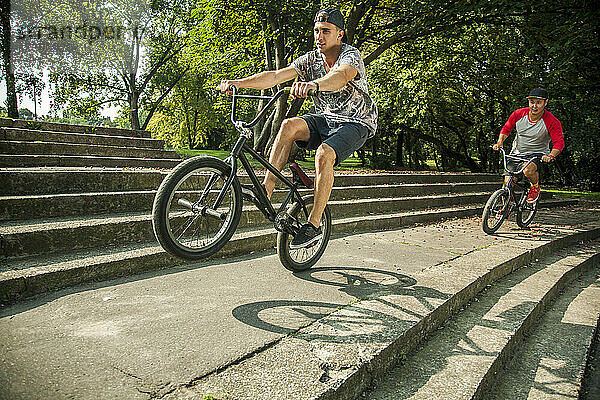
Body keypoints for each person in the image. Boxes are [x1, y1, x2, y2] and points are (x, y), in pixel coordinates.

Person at [219, 7, 378, 249]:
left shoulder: (350, 55)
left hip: (356, 121)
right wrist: (237, 83)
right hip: (325, 117)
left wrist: (314, 84)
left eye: (326, 31)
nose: (319, 37)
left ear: (340, 34)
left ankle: (314, 224)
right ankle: (267, 191)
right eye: (316, 31)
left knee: (324, 154)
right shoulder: (310, 59)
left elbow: (340, 77)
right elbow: (274, 76)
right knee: (288, 125)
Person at [493, 87, 564, 203]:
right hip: (517, 152)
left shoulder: (552, 121)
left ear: (545, 103)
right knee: (507, 183)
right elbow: (506, 129)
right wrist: (500, 142)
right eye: (532, 102)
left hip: (537, 153)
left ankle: (535, 186)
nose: (534, 106)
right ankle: (505, 207)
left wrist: (551, 155)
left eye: (539, 103)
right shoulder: (518, 114)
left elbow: (559, 142)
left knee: (528, 170)